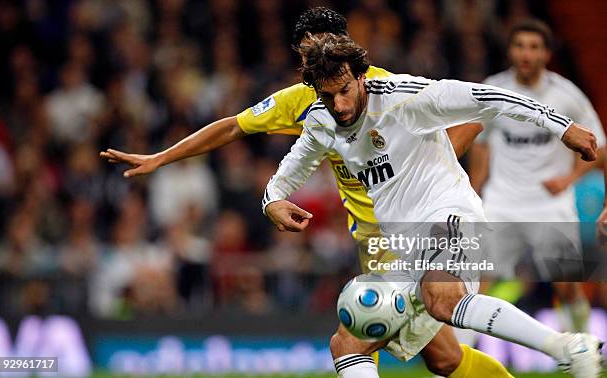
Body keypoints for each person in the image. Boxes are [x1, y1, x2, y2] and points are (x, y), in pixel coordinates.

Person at [100, 8, 513, 378]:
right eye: (304, 55)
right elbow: (232, 126)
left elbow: (473, 113)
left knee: (350, 343)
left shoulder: (382, 88)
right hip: (371, 238)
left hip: (410, 230)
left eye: (322, 51)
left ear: (347, 50)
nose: (314, 65)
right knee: (442, 357)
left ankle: (562, 347)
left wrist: (438, 173)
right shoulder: (301, 100)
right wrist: (162, 157)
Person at [262, 32, 602, 378]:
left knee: (442, 299)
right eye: (327, 96)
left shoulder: (405, 97)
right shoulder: (321, 119)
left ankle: (566, 346)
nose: (340, 106)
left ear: (361, 76)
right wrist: (272, 200)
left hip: (448, 214)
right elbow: (293, 166)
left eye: (345, 91)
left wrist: (563, 127)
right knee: (348, 344)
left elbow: (489, 97)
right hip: (403, 244)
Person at [468, 19, 605, 338]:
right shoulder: (494, 88)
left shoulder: (566, 95)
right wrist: (473, 192)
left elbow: (599, 147)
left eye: (534, 47)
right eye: (519, 46)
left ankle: (582, 352)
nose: (526, 54)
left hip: (550, 205)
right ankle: (455, 365)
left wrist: (568, 178)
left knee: (568, 288)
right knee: (476, 284)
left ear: (546, 53)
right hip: (502, 202)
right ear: (510, 51)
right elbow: (482, 144)